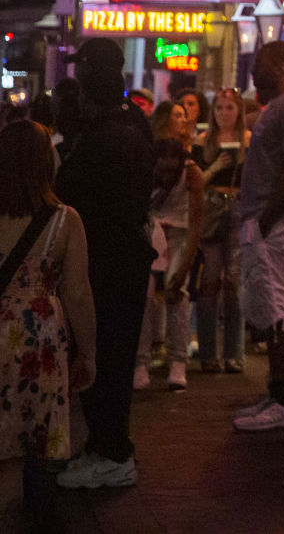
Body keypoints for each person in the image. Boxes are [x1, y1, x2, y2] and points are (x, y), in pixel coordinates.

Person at [54, 39, 154, 490]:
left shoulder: (100, 140)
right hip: (126, 257)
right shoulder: (135, 127)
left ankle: (113, 452)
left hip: (106, 263)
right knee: (112, 360)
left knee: (104, 361)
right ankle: (106, 446)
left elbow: (66, 193)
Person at [0, 121, 97, 530]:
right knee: (32, 442)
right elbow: (77, 293)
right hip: (39, 342)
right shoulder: (64, 221)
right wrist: (88, 353)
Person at [231, 42, 284, 434]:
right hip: (266, 221)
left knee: (278, 310)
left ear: (281, 65)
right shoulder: (279, 104)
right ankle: (277, 392)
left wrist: (267, 219)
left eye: (260, 63)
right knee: (268, 308)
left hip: (275, 224)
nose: (253, 70)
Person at [135, 105, 203, 392]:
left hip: (177, 234)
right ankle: (141, 362)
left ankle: (177, 361)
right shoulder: (145, 167)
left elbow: (196, 220)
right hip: (152, 233)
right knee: (146, 297)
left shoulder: (191, 173)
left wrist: (187, 260)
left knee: (177, 293)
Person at [193, 89, 248, 374]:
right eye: (219, 108)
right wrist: (214, 166)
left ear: (238, 111)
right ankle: (208, 353)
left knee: (234, 281)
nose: (223, 113)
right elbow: (195, 182)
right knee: (211, 278)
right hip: (213, 206)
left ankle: (234, 353)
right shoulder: (203, 142)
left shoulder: (248, 141)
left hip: (238, 207)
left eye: (229, 108)